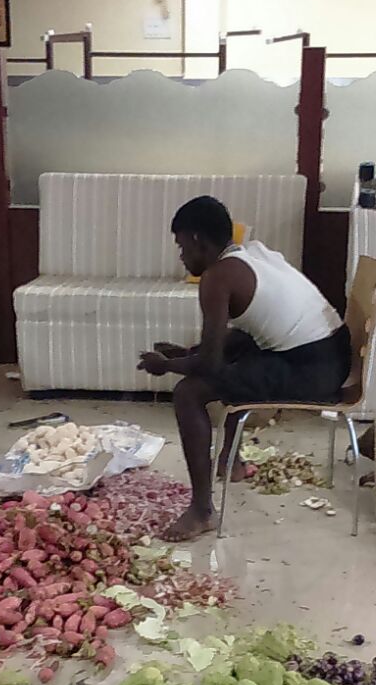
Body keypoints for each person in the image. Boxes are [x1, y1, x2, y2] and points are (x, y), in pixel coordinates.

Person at [136, 196, 349, 540]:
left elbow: (207, 365)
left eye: (181, 246)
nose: (180, 256)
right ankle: (230, 463)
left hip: (312, 373)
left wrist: (167, 366)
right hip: (332, 354)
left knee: (189, 393)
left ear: (196, 240)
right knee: (239, 353)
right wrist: (187, 352)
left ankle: (202, 511)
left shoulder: (218, 278)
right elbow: (225, 345)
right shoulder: (254, 254)